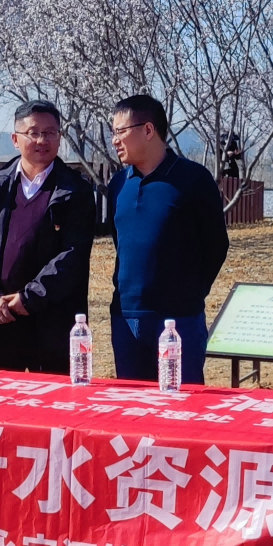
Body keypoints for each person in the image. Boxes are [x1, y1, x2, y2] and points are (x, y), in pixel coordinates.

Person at [0, 100, 96, 373]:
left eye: (50, 133)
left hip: (51, 326)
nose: (41, 140)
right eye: (33, 132)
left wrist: (29, 298)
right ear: (15, 139)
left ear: (59, 138)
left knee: (50, 409)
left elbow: (72, 256)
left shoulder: (75, 191)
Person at [105, 93, 229, 383]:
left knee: (182, 411)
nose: (115, 140)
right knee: (132, 411)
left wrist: (189, 292)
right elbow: (120, 242)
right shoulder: (118, 184)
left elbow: (216, 245)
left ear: (148, 130)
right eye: (113, 133)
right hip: (126, 317)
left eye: (121, 131)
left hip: (178, 319)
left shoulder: (193, 180)